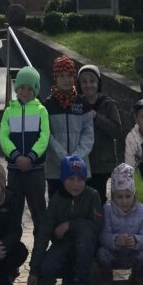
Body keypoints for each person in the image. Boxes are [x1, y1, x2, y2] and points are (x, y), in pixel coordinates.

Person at [27, 154, 103, 285]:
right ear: (63, 179)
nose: (76, 184)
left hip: (87, 246)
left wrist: (71, 225)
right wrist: (33, 270)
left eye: (80, 179)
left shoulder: (92, 196)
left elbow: (98, 225)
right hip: (63, 244)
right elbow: (44, 233)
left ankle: (81, 283)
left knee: (85, 232)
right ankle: (69, 273)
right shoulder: (56, 200)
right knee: (46, 269)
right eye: (71, 179)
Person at [0, 65, 49, 232]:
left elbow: (44, 136)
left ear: (35, 90)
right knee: (13, 212)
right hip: (15, 170)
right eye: (22, 88)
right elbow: (4, 137)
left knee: (39, 213)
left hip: (36, 170)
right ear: (16, 88)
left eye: (29, 88)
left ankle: (40, 253)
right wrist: (16, 156)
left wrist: (32, 157)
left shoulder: (42, 110)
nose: (25, 92)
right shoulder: (9, 111)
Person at [43, 56, 94, 197]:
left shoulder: (82, 103)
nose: (66, 80)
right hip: (56, 168)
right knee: (57, 207)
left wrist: (77, 157)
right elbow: (47, 134)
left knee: (80, 207)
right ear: (55, 78)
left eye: (70, 75)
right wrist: (63, 158)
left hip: (80, 166)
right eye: (62, 76)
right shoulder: (48, 104)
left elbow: (88, 133)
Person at [96, 163, 143, 285]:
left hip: (133, 253)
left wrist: (135, 240)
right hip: (114, 252)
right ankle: (106, 272)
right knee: (101, 253)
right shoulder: (107, 209)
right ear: (113, 196)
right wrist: (115, 240)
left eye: (128, 196)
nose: (124, 201)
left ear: (134, 195)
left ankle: (138, 273)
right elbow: (103, 236)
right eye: (119, 197)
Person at [76, 64, 123, 203]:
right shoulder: (76, 104)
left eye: (92, 81)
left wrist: (96, 117)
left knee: (98, 199)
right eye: (84, 81)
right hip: (83, 161)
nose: (88, 85)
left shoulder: (108, 104)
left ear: (98, 83)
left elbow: (117, 131)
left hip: (102, 164)